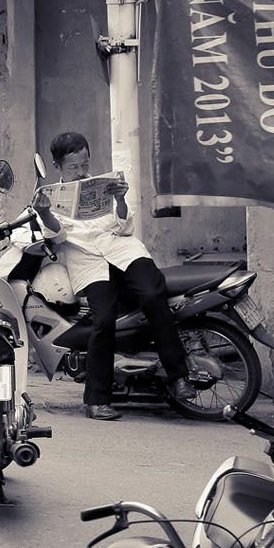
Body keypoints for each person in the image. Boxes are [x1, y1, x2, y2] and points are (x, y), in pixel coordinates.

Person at [32, 131, 195, 421]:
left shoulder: (104, 185)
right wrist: (44, 215)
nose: (81, 171)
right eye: (73, 167)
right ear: (58, 166)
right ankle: (96, 400)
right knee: (103, 320)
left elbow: (124, 225)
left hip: (123, 251)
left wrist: (120, 199)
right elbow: (56, 238)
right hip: (88, 262)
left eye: (85, 164)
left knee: (154, 295)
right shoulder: (50, 197)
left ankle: (179, 376)